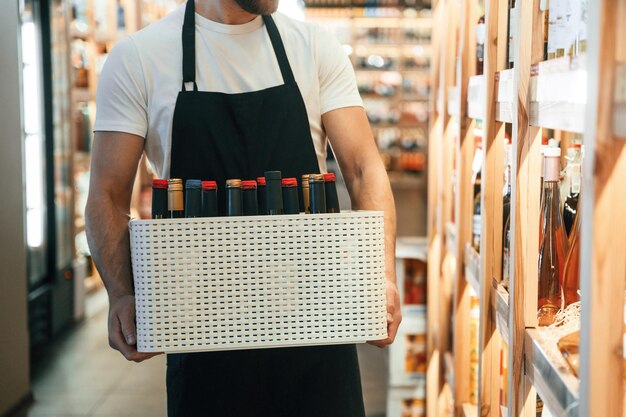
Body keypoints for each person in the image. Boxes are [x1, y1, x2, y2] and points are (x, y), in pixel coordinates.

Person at [85, 0, 401, 415]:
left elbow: (363, 169)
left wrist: (381, 276)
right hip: (199, 330)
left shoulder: (313, 47)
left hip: (317, 323)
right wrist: (122, 293)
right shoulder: (139, 58)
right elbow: (107, 193)